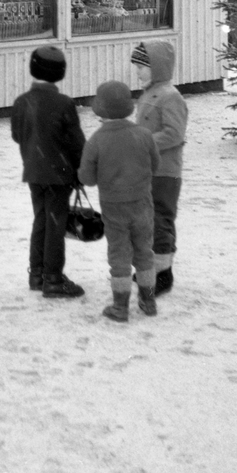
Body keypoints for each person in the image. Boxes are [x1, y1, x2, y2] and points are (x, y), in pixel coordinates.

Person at [78, 80, 160, 322]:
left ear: (100, 109)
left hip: (113, 208)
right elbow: (155, 165)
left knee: (119, 255)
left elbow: (88, 179)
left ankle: (120, 307)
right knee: (145, 252)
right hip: (143, 204)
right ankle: (149, 300)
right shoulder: (144, 135)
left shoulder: (96, 140)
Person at [10, 45, 86, 299]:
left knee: (41, 219)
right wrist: (80, 171)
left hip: (33, 171)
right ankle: (53, 278)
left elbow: (17, 135)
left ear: (33, 68)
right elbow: (76, 143)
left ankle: (37, 274)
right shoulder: (64, 103)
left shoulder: (22, 102)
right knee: (56, 224)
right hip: (59, 174)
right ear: (60, 73)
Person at [131, 41, 188, 295]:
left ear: (157, 66)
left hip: (165, 170)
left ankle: (163, 273)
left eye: (142, 66)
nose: (138, 71)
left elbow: (174, 134)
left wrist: (143, 141)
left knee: (160, 219)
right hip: (148, 168)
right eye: (137, 66)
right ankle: (150, 268)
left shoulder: (170, 96)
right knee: (147, 220)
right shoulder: (149, 93)